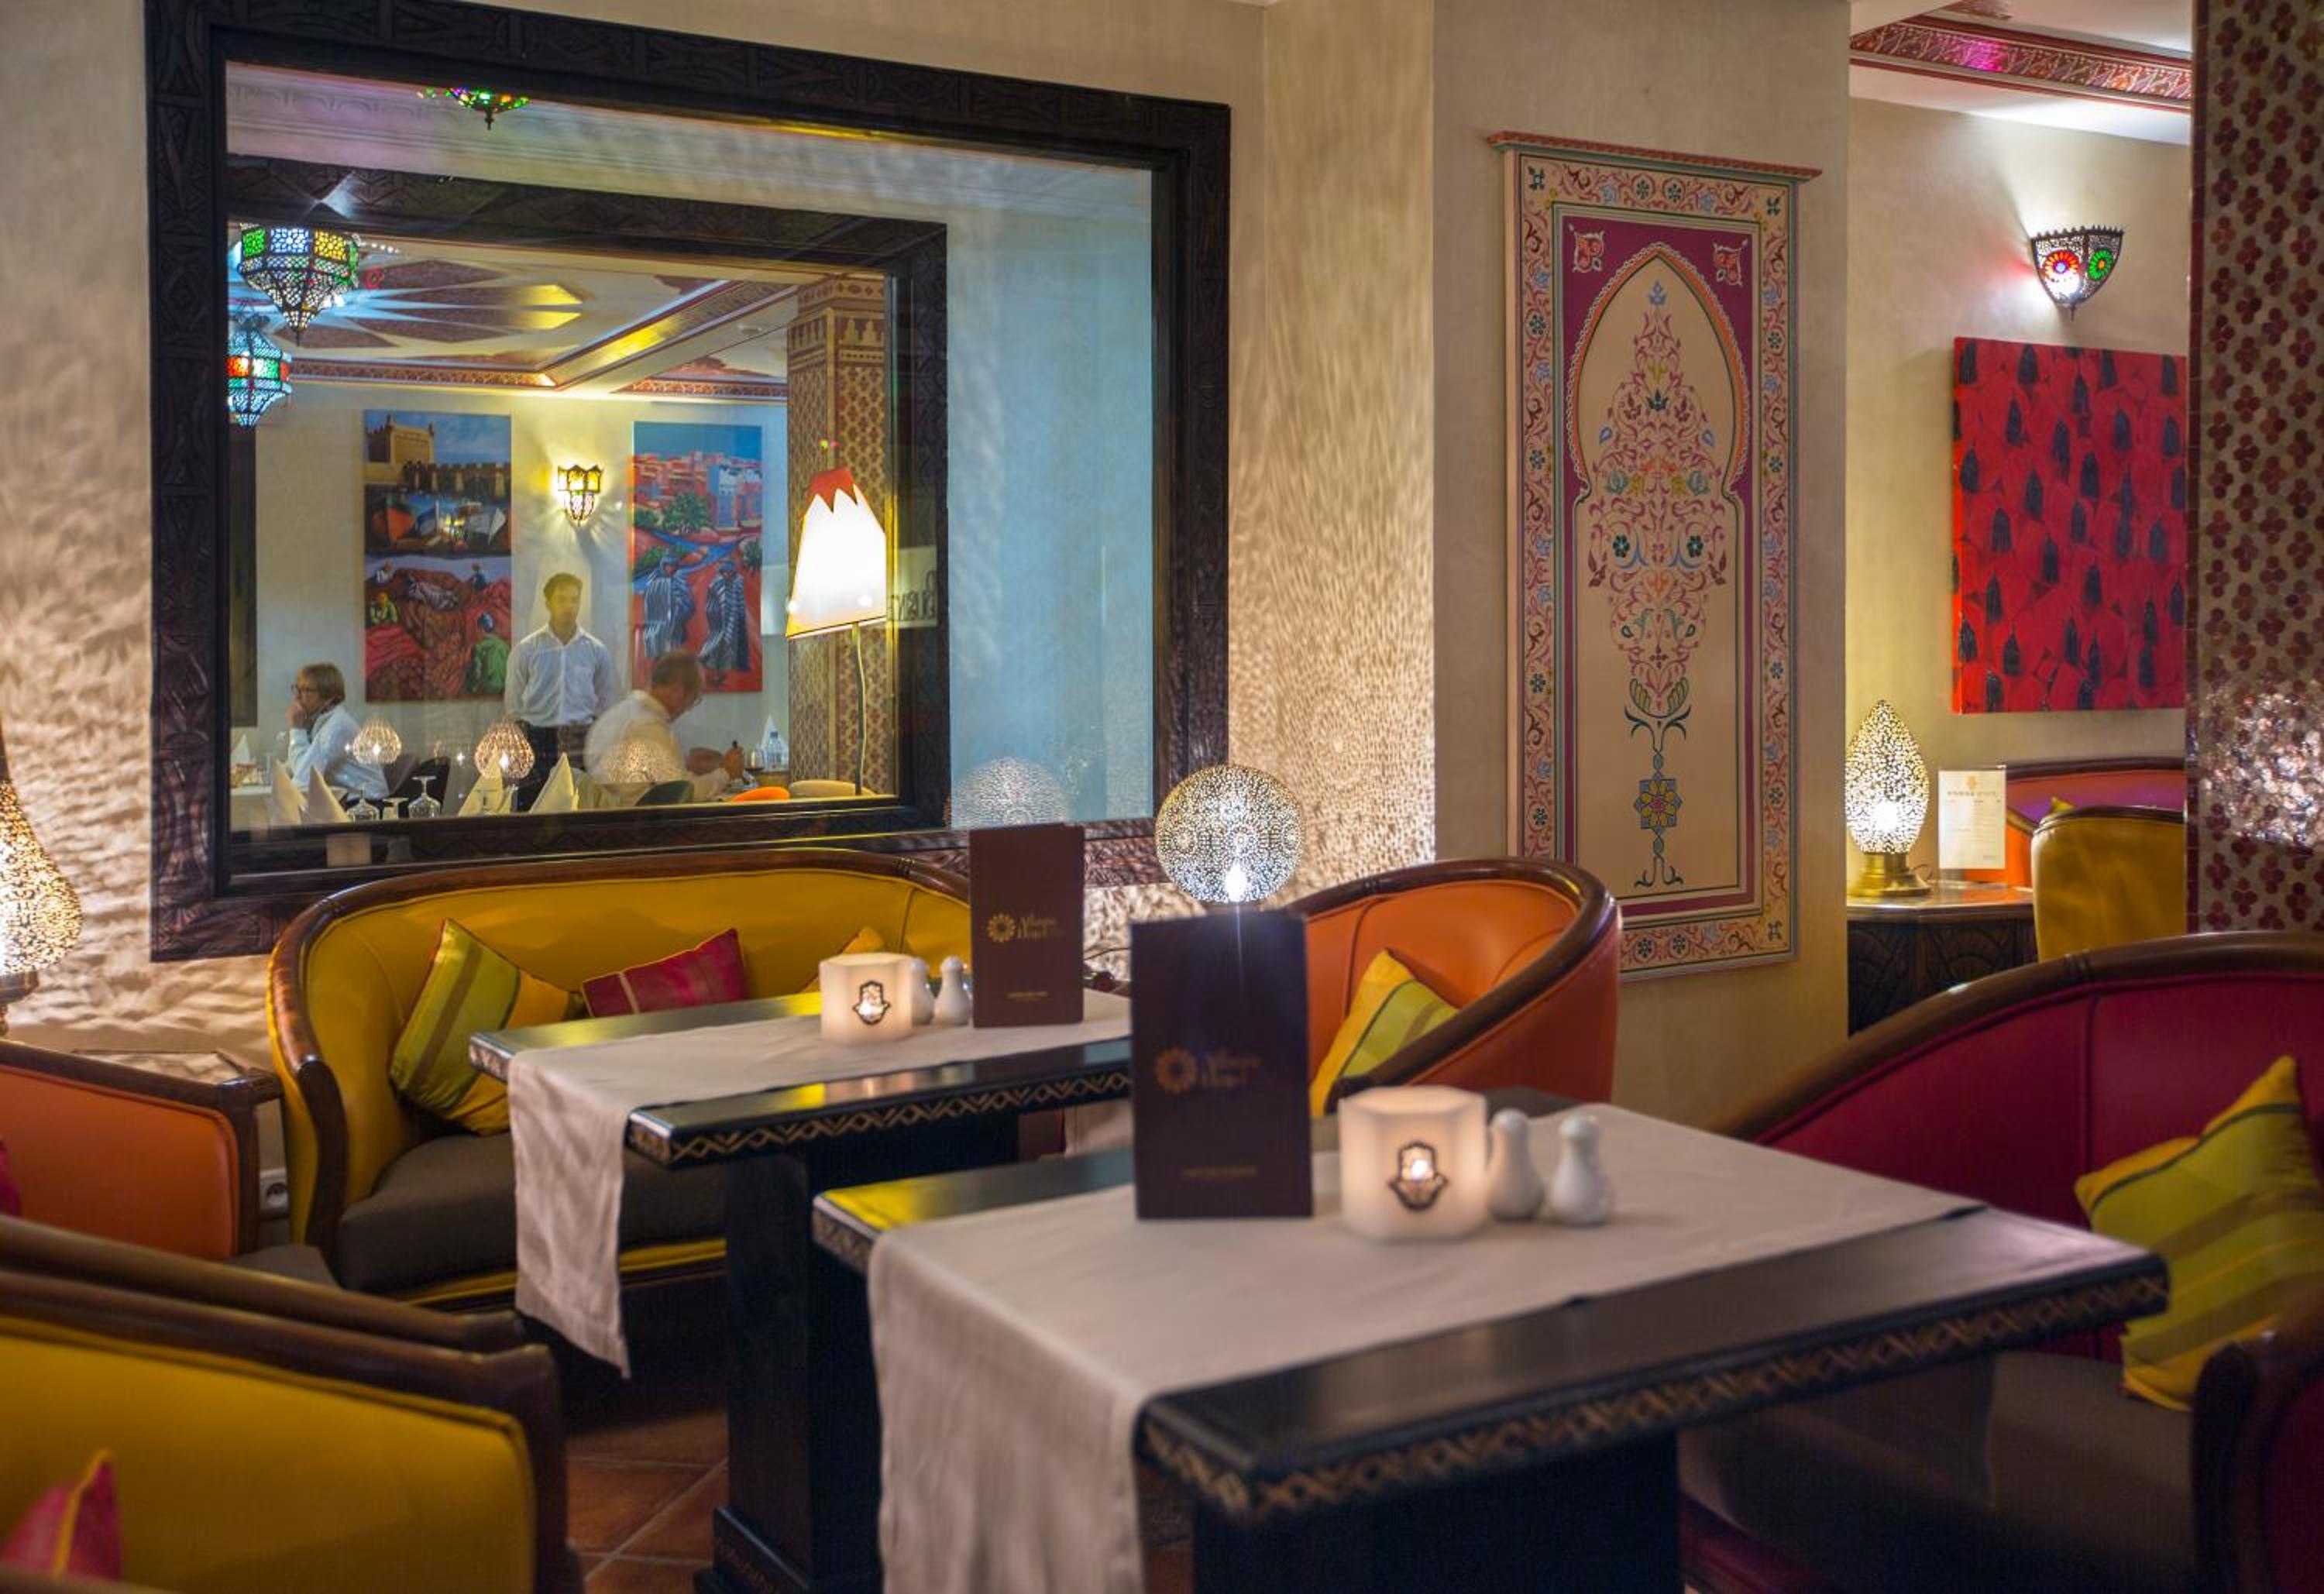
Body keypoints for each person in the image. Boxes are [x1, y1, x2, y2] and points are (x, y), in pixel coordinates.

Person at [585, 649, 746, 801]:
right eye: (693, 699)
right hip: (638, 818)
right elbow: (683, 793)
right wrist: (726, 773)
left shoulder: (617, 715)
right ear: (676, 691)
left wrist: (686, 763)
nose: (689, 708)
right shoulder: (647, 725)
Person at [504, 572, 617, 780]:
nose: (569, 606)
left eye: (574, 600)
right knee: (536, 797)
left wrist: (597, 738)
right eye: (562, 600)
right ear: (548, 604)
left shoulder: (596, 650)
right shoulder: (527, 649)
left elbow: (606, 700)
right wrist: (523, 740)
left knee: (579, 797)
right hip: (537, 737)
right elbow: (513, 701)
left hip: (581, 739)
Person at [284, 661, 387, 802]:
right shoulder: (323, 720)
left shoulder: (337, 727)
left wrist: (297, 729)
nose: (298, 698)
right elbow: (298, 770)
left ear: (328, 698)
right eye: (298, 689)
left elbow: (305, 778)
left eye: (307, 691)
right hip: (347, 800)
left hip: (366, 804)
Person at [700, 554, 754, 683]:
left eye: (729, 572)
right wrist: (717, 619)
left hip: (732, 621)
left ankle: (719, 675)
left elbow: (739, 602)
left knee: (727, 648)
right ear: (722, 571)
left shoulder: (736, 583)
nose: (727, 574)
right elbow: (710, 605)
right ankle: (711, 673)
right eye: (725, 571)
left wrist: (738, 618)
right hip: (718, 623)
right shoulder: (716, 584)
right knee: (716, 648)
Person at [639, 551, 694, 662]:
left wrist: (678, 618)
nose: (670, 569)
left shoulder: (679, 581)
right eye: (667, 566)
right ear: (663, 566)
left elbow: (688, 604)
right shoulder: (654, 581)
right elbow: (649, 602)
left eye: (672, 566)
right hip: (656, 627)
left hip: (674, 628)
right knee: (659, 656)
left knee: (673, 657)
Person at [463, 612, 509, 697]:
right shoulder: (504, 646)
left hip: (486, 689)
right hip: (502, 688)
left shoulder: (478, 648)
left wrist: (472, 688)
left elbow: (477, 672)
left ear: (481, 629)